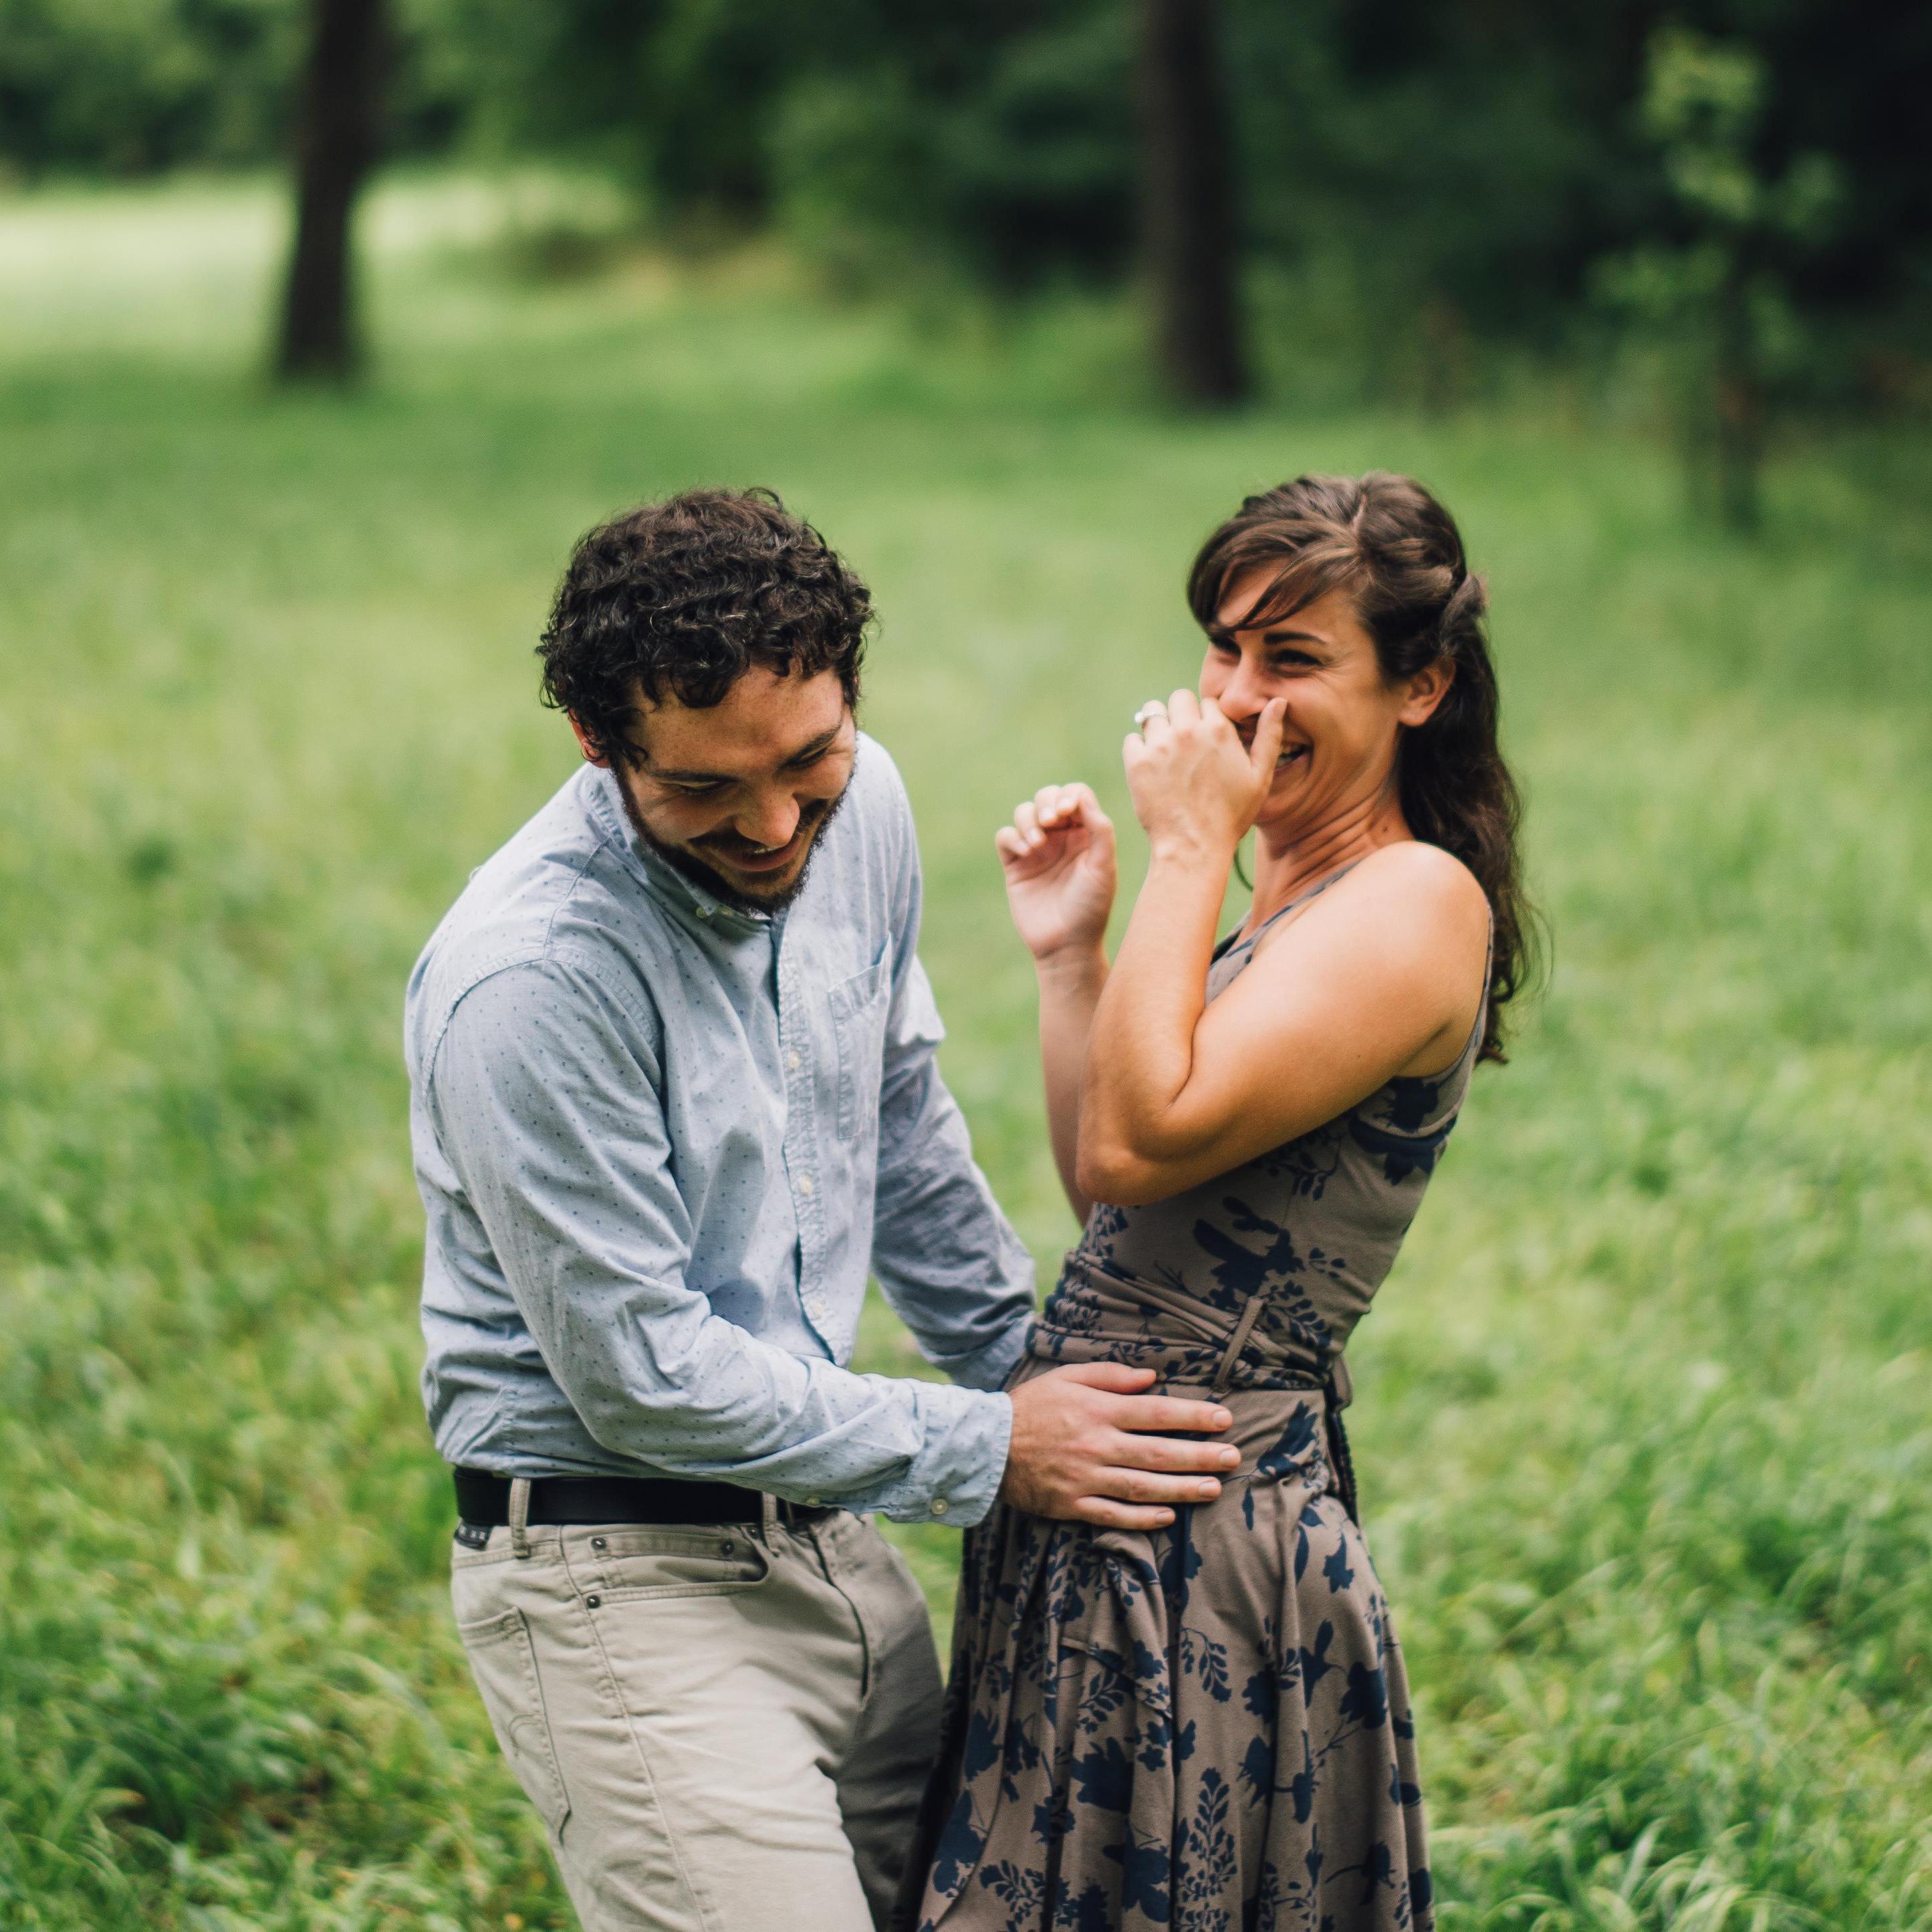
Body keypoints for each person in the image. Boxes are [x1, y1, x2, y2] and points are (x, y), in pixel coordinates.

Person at [404, 487, 1241, 1932]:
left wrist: (1028, 1372)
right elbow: (640, 1372)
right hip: (616, 1575)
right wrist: (995, 1444)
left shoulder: (871, 814)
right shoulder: (527, 977)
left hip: (830, 1535)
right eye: (707, 792)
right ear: (599, 746)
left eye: (809, 761)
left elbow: (898, 1124)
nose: (776, 821)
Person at [897, 471, 1532, 1932]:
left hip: (1201, 1544)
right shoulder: (1282, 893)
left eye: (1292, 658)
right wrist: (1075, 956)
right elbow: (1115, 1184)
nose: (1238, 697)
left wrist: (1188, 847)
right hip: (1104, 1505)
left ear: (1419, 686)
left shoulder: (1413, 901)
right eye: (1223, 647)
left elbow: (1138, 1138)